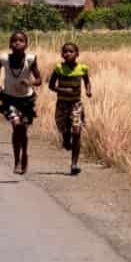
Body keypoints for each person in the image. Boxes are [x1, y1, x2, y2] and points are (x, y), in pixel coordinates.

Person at [0, 30, 42, 174]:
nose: (17, 43)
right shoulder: (4, 59)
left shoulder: (30, 59)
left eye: (21, 41)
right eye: (14, 40)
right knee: (16, 125)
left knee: (23, 130)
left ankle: (24, 153)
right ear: (10, 44)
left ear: (26, 44)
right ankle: (17, 160)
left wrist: (30, 81)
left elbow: (39, 80)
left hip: (26, 100)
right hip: (9, 98)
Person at [47, 40, 93, 175]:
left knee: (77, 132)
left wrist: (88, 91)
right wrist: (61, 90)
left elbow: (87, 82)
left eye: (71, 51)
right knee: (64, 130)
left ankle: (74, 164)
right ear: (62, 54)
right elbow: (51, 85)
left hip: (76, 104)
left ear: (77, 54)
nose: (68, 54)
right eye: (65, 51)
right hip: (62, 104)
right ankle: (66, 139)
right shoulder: (59, 69)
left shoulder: (82, 69)